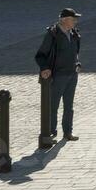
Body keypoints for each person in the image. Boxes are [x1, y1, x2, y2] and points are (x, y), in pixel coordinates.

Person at [34, 8, 83, 142]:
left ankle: (68, 132)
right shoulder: (53, 34)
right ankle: (50, 132)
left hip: (72, 75)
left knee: (69, 106)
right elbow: (40, 55)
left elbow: (75, 53)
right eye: (73, 19)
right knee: (53, 106)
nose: (76, 21)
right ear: (64, 20)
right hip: (57, 75)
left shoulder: (74, 33)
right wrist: (45, 68)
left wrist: (77, 64)